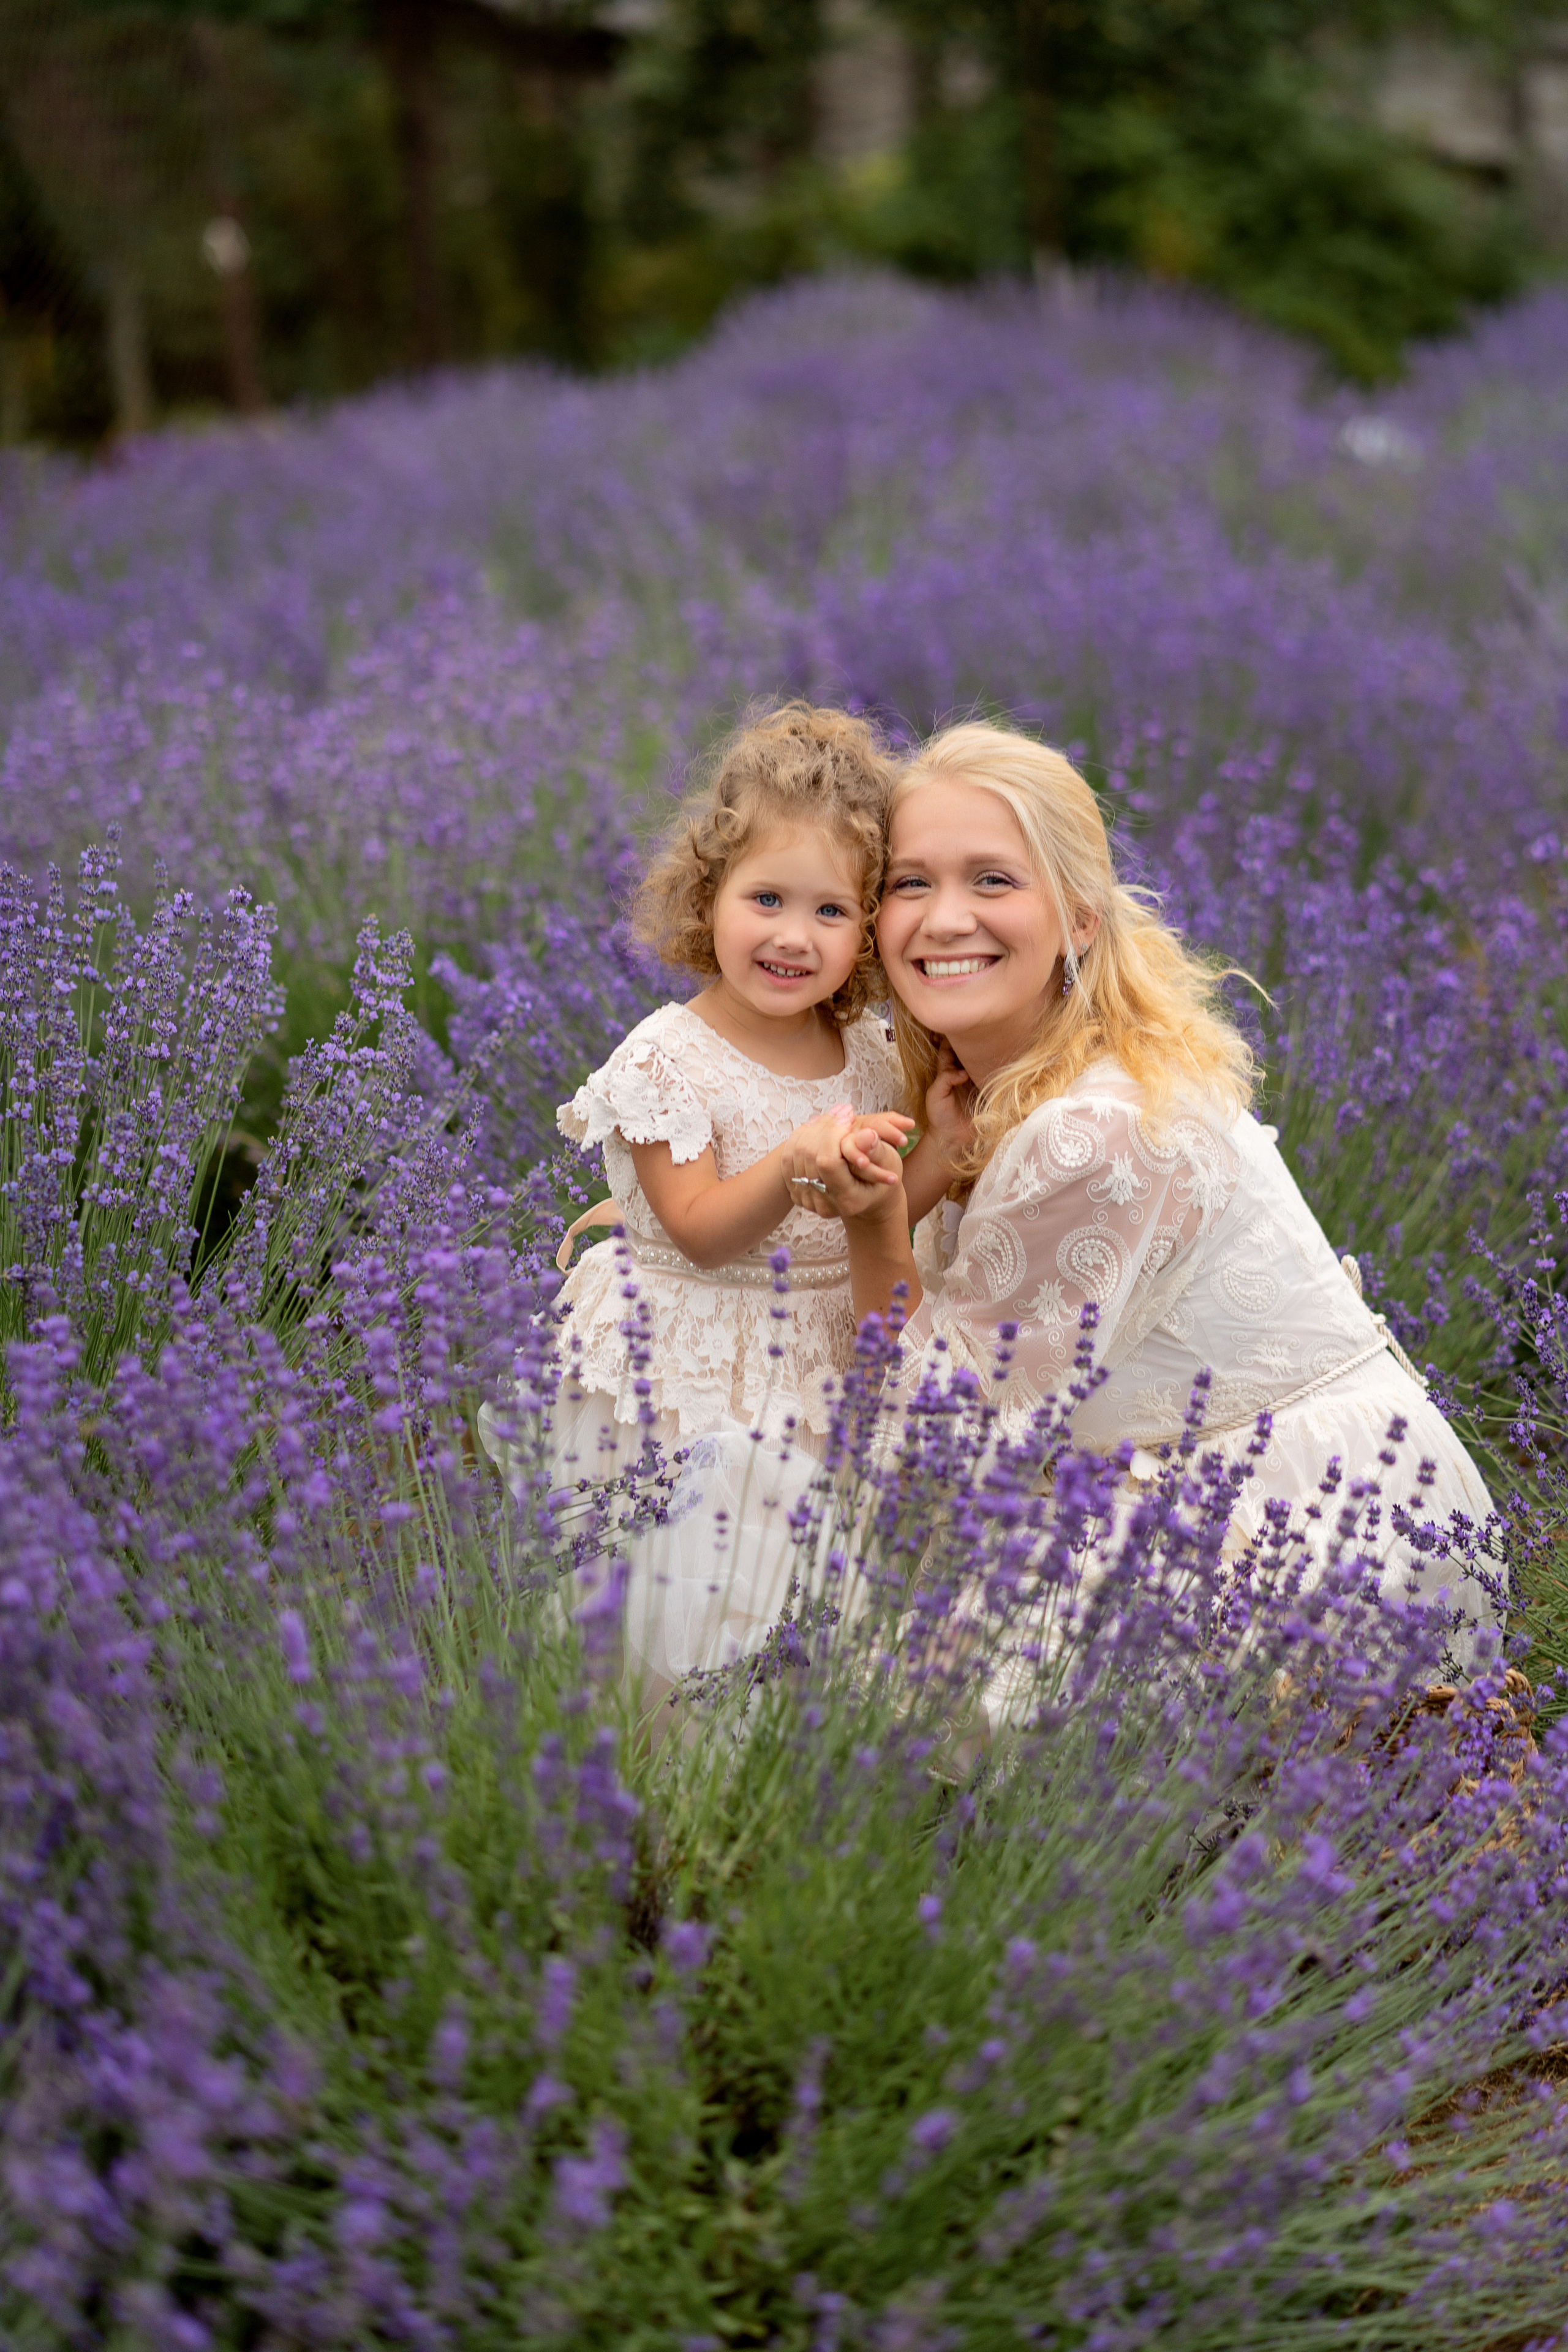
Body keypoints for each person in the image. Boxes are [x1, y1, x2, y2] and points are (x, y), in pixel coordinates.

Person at [784, 720, 1498, 1676]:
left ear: (1080, 918)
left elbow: (933, 1467)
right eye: (912, 884)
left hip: (1315, 1538)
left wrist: (877, 1225)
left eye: (992, 880)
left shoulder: (1090, 1127)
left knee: (856, 1646)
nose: (945, 919)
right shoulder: (1008, 1081)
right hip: (1299, 1492)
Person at [478, 701, 917, 1691]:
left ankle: (777, 1750)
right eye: (767, 899)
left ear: (868, 929)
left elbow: (891, 1204)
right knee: (680, 1596)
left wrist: (948, 1145)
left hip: (817, 1359)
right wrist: (793, 1164)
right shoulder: (668, 1061)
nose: (793, 937)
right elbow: (701, 1231)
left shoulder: (869, 1055)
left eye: (831, 912)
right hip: (691, 1366)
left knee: (802, 1594)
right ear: (709, 893)